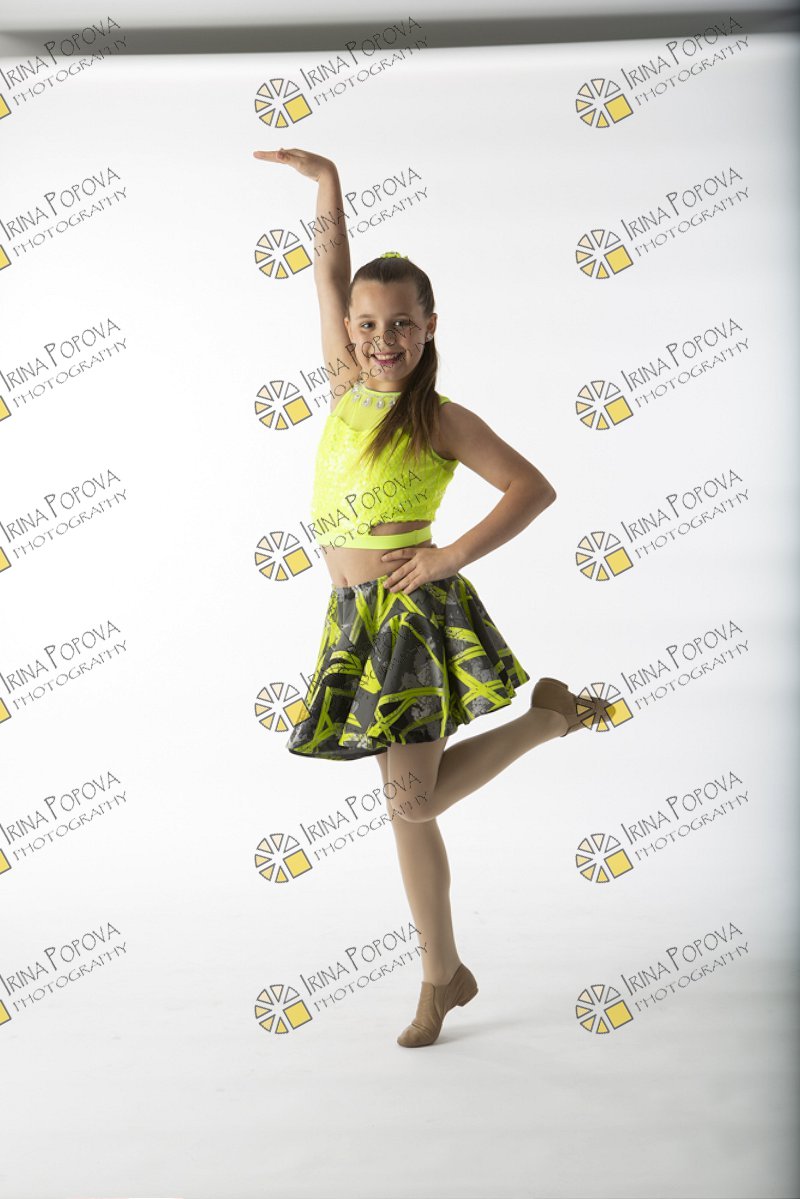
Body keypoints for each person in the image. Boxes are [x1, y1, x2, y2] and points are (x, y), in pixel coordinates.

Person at [253, 147, 609, 1048]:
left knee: (412, 802)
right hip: (353, 621)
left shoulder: (440, 417)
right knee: (406, 810)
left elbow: (532, 487)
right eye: (368, 323)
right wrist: (327, 183)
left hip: (412, 616)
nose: (383, 338)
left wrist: (447, 555)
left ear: (429, 326)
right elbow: (329, 269)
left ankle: (548, 721)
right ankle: (444, 974)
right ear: (350, 329)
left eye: (402, 324)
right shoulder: (344, 385)